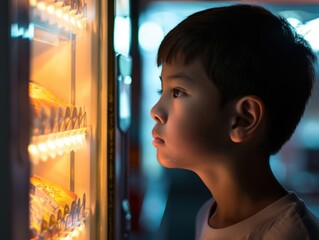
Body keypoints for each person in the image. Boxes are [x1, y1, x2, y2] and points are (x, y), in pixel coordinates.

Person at [150, 4, 319, 240]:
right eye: (162, 89)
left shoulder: (288, 234)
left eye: (177, 92)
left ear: (243, 119)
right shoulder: (209, 214)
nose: (155, 110)